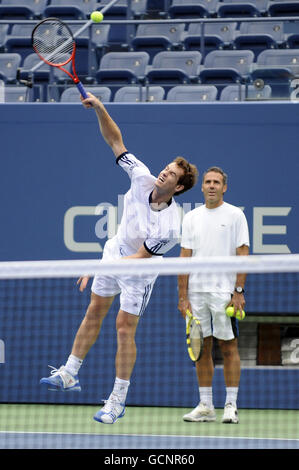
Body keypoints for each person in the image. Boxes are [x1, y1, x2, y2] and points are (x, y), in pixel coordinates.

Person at [40, 93, 198, 424]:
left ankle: (117, 399)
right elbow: (115, 140)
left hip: (140, 271)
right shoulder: (141, 176)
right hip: (115, 250)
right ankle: (70, 373)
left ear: (180, 188)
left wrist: (98, 267)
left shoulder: (171, 225)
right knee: (95, 310)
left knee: (124, 328)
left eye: (171, 175)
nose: (164, 175)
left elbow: (141, 257)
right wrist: (99, 107)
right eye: (166, 169)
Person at [178, 166, 249, 424]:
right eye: (207, 182)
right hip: (196, 293)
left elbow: (243, 254)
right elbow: (184, 258)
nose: (211, 186)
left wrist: (238, 291)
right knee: (201, 349)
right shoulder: (191, 218)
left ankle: (231, 405)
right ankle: (206, 405)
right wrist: (182, 295)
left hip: (224, 293)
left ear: (224, 187)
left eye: (216, 182)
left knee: (228, 347)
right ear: (202, 186)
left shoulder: (235, 216)